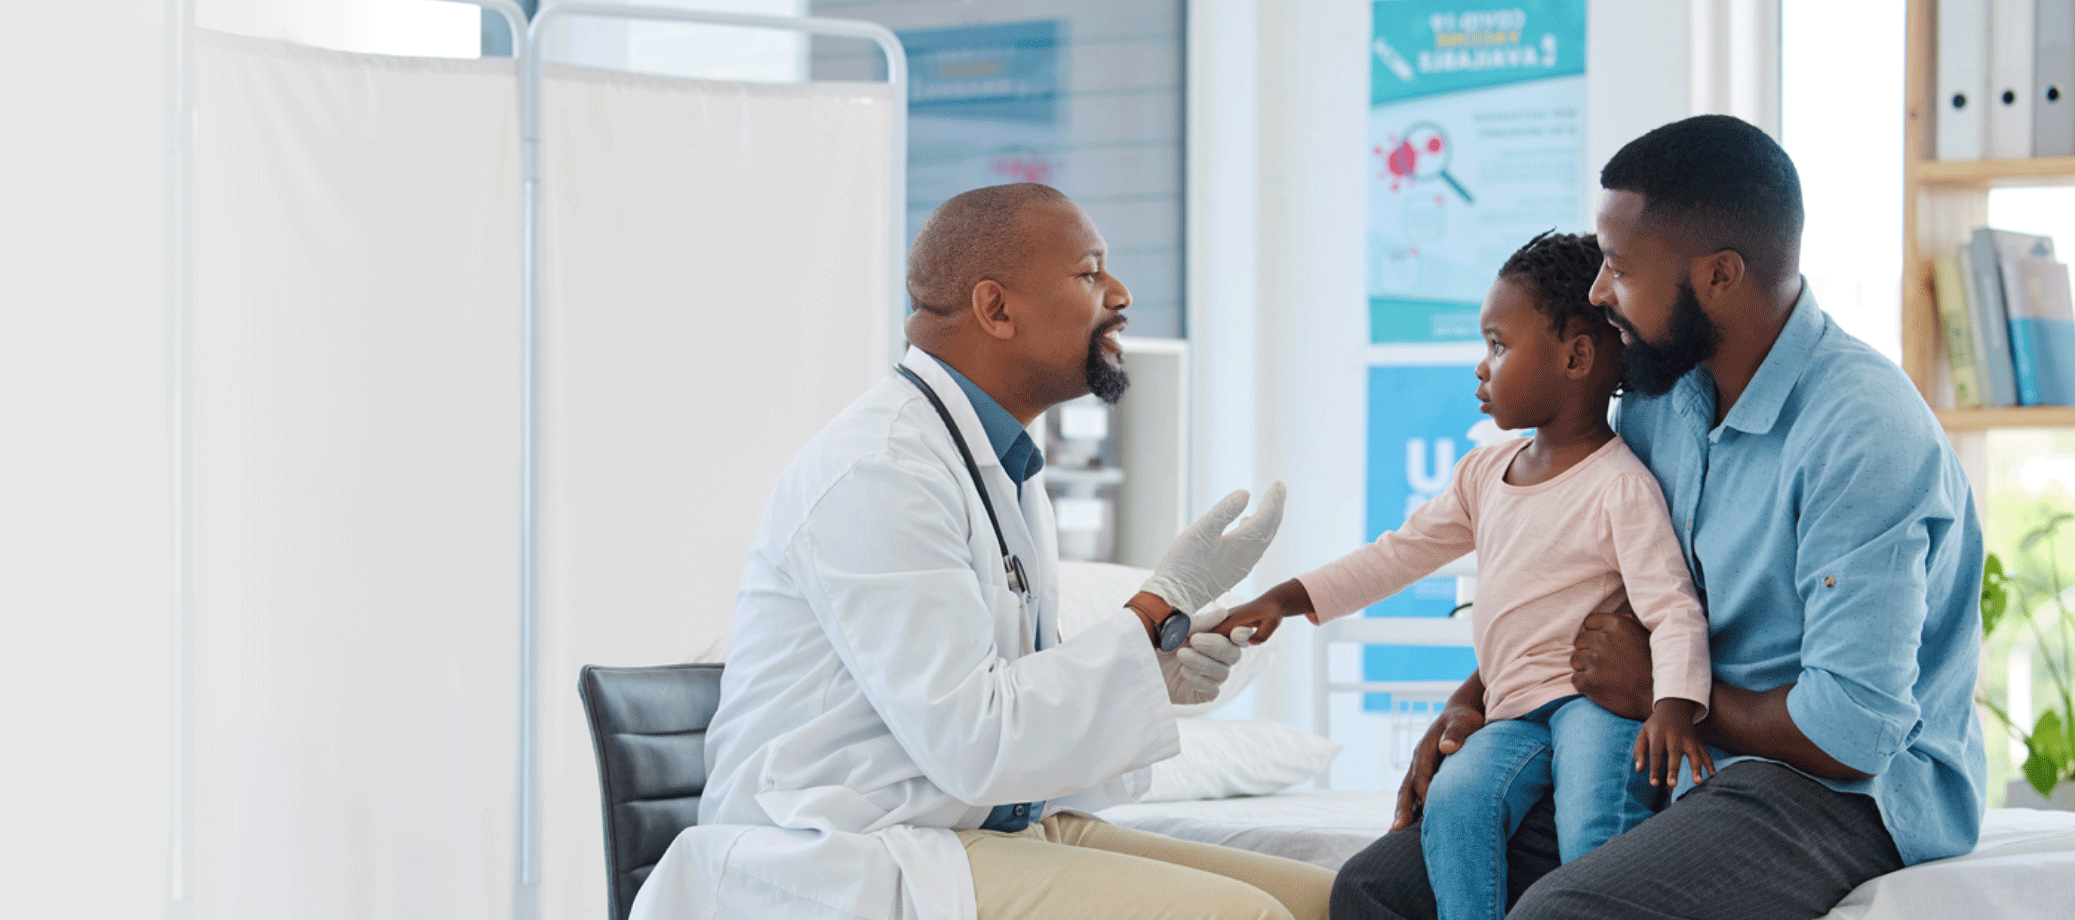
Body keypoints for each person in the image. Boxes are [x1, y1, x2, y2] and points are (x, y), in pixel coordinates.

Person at [1329, 115, 1987, 920]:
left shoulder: (1863, 432)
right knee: (1375, 892)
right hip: (1672, 742)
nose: (1600, 294)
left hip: (1842, 789)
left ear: (1718, 277)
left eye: (1618, 269)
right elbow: (1593, 581)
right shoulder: (1660, 397)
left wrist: (1661, 691)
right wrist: (1476, 700)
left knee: (1563, 912)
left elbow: (1852, 731)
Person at [630, 182, 1327, 920]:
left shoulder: (997, 464)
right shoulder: (882, 467)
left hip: (967, 822)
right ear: (996, 309)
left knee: (1332, 902)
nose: (1119, 294)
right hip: (851, 853)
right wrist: (1158, 607)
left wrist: (1159, 667)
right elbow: (971, 739)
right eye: (1090, 272)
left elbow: (1010, 696)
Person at [1213, 231, 1711, 920]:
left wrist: (1674, 706)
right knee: (1456, 801)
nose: (1482, 368)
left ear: (1575, 356)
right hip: (1511, 711)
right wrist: (1286, 598)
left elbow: (1673, 609)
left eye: (1499, 346)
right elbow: (1398, 554)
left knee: (1593, 826)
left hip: (1593, 704)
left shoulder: (1619, 486)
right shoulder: (1483, 474)